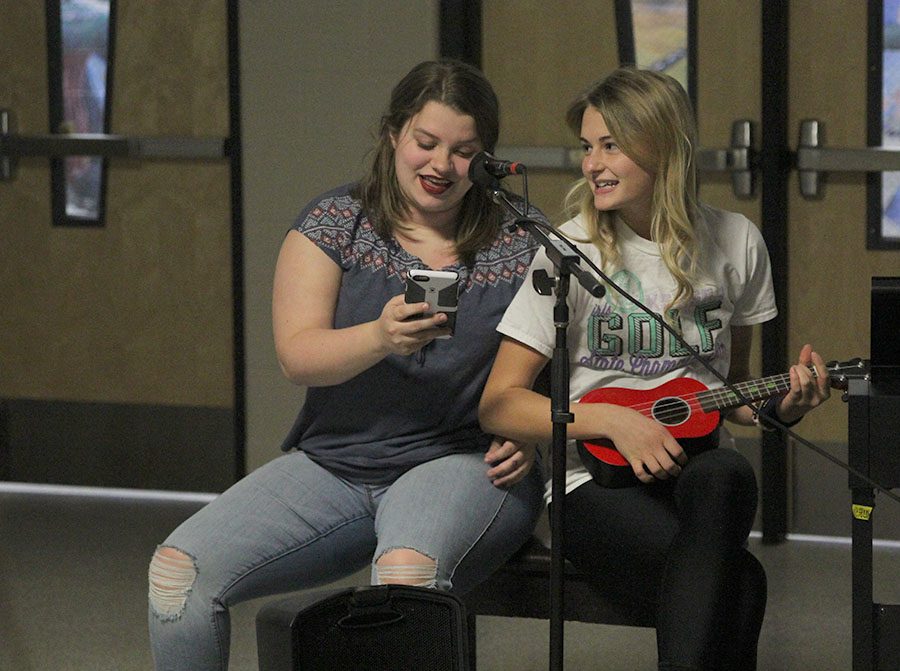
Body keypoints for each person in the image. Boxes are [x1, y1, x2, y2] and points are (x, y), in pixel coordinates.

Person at [147, 59, 546, 671]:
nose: (440, 165)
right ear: (393, 135)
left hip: (461, 462)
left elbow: (567, 361)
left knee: (404, 577)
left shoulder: (525, 241)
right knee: (177, 574)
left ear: (487, 157)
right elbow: (298, 357)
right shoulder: (335, 222)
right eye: (426, 143)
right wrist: (381, 336)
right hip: (337, 463)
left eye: (464, 151)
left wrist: (529, 428)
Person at [478, 67, 832, 671]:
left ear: (663, 147)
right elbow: (499, 403)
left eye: (611, 145)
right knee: (741, 585)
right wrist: (613, 421)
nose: (592, 164)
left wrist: (785, 405)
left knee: (725, 471)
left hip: (694, 470)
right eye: (588, 147)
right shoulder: (569, 251)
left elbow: (729, 395)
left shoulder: (736, 241)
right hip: (592, 482)